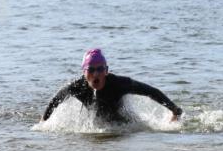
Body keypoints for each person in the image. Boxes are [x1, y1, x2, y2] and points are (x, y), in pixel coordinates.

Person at [41, 48, 183, 123]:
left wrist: (174, 110)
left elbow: (151, 91)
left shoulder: (119, 84)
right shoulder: (77, 87)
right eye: (91, 70)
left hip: (123, 124)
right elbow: (56, 100)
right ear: (84, 72)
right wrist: (42, 122)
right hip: (98, 123)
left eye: (100, 69)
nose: (96, 74)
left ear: (106, 71)